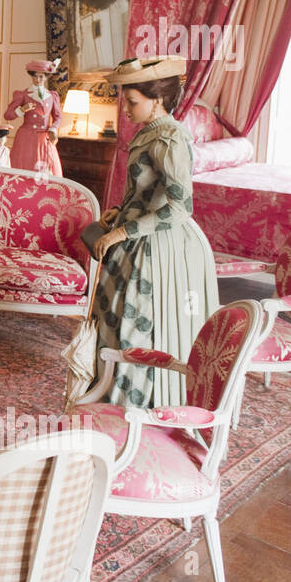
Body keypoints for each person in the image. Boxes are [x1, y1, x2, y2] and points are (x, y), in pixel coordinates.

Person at [90, 56, 219, 408]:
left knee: (136, 322)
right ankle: (106, 394)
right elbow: (147, 192)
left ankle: (134, 407)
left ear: (157, 100)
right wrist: (119, 212)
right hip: (135, 238)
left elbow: (179, 208)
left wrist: (120, 233)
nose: (126, 110)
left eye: (132, 102)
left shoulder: (172, 139)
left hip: (159, 246)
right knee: (114, 319)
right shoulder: (149, 131)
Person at [4, 59, 63, 175]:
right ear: (31, 77)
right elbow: (8, 115)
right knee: (25, 169)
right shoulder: (23, 95)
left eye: (41, 77)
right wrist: (22, 110)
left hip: (44, 138)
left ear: (46, 77)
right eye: (35, 77)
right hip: (26, 138)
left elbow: (58, 117)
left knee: (46, 171)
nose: (37, 80)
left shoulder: (52, 96)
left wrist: (53, 129)